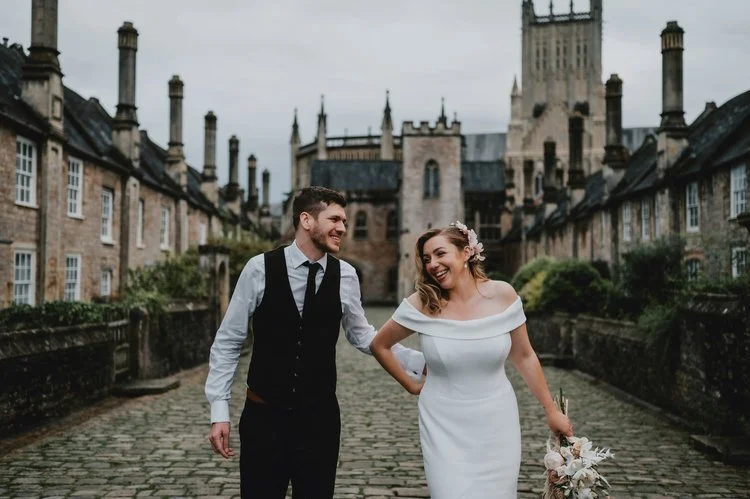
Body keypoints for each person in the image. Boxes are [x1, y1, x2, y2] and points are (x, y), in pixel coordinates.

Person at [205, 186, 426, 498]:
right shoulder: (259, 269)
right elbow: (228, 341)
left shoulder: (346, 275)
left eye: (345, 222)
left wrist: (421, 362)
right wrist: (219, 411)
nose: (343, 228)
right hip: (264, 418)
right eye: (335, 219)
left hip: (319, 421)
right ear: (306, 220)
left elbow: (362, 334)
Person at [371, 222, 572, 499]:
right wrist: (411, 385)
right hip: (442, 423)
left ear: (466, 253)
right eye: (427, 259)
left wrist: (552, 411)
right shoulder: (422, 303)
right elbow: (380, 345)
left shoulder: (503, 295)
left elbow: (525, 356)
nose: (433, 264)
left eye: (440, 254)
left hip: (497, 422)